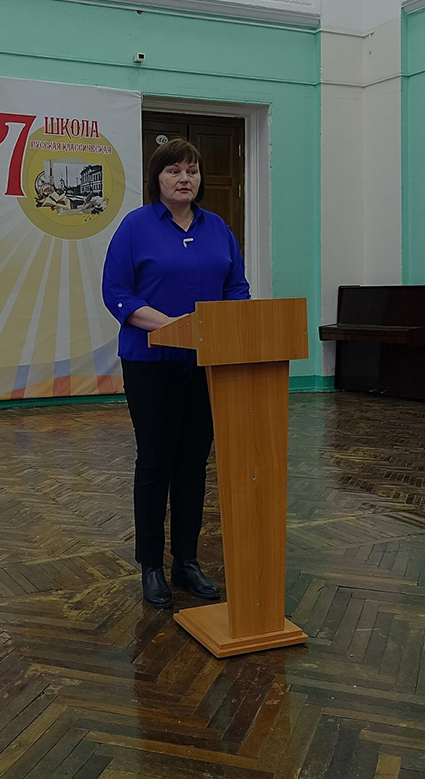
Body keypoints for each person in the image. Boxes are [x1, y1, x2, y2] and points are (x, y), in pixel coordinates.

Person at [102, 138, 250, 609]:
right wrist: (173, 327)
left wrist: (225, 326)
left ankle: (186, 562)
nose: (184, 179)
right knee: (155, 462)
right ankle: (150, 565)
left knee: (193, 463)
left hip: (206, 365)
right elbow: (117, 293)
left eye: (192, 171)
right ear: (157, 178)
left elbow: (237, 288)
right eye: (174, 171)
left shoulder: (217, 228)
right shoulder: (135, 226)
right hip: (152, 364)